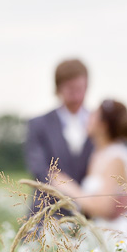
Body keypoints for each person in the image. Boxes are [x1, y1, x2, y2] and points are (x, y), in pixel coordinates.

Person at [51, 99, 127, 247]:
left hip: (118, 239)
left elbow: (104, 208)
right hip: (99, 235)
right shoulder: (98, 154)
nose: (87, 118)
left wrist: (70, 189)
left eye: (93, 115)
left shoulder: (116, 157)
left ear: (103, 125)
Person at [24, 58, 94, 215]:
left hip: (92, 218)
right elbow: (40, 170)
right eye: (70, 89)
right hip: (47, 214)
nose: (76, 96)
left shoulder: (100, 124)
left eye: (80, 89)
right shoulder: (39, 124)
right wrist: (82, 199)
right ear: (58, 89)